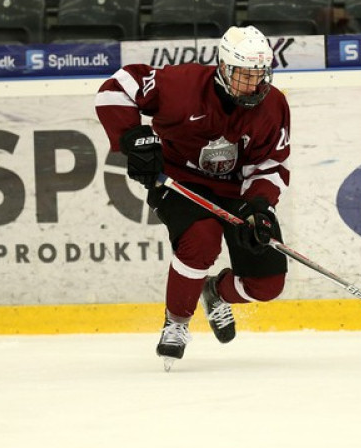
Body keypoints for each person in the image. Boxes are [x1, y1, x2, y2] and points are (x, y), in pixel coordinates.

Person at [95, 26, 291, 369]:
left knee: (268, 284)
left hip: (236, 191)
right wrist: (133, 137)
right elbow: (115, 89)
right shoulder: (181, 85)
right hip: (177, 180)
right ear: (224, 68)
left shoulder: (273, 105)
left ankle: (216, 291)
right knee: (201, 241)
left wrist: (260, 205)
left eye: (260, 75)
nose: (254, 85)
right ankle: (177, 322)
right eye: (245, 76)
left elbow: (270, 163)